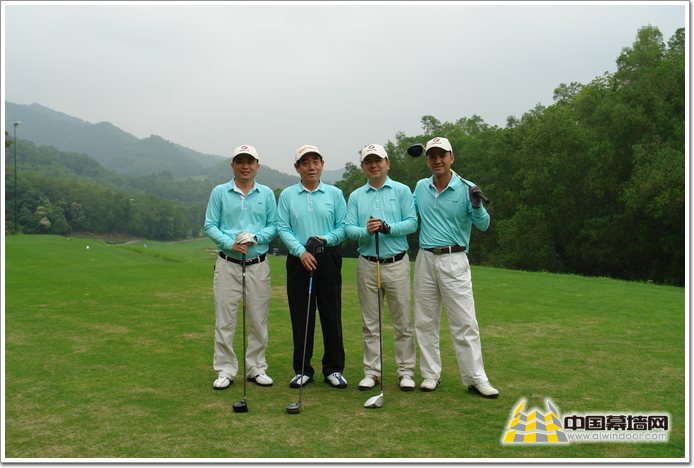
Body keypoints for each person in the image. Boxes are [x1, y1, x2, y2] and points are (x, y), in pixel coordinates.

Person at [412, 136, 499, 398]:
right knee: (425, 321)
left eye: (442, 155)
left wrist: (477, 205)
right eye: (432, 156)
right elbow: (410, 216)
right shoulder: (420, 187)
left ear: (452, 158)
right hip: (425, 258)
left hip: (455, 257)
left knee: (464, 322)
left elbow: (483, 224)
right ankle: (430, 374)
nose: (437, 160)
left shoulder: (467, 188)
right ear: (427, 160)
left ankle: (476, 378)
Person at [345, 144, 418, 392]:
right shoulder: (356, 196)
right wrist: (366, 231)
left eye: (378, 160)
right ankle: (372, 372)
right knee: (370, 323)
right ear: (363, 167)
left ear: (387, 163)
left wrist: (389, 228)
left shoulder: (402, 190)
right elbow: (349, 229)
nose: (374, 165)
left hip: (396, 263)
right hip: (367, 263)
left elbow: (412, 222)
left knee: (402, 322)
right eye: (369, 161)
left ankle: (406, 371)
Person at [203, 144, 277, 390]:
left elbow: (273, 225)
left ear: (257, 165)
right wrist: (230, 243)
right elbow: (210, 225)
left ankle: (256, 368)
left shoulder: (266, 193)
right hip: (228, 264)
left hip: (258, 264)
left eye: (250, 161)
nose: (245, 166)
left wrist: (255, 237)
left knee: (258, 320)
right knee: (225, 320)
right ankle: (225, 369)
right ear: (233, 165)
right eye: (240, 161)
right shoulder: (219, 192)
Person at [278, 144, 348, 389]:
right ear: (297, 168)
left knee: (331, 314)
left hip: (328, 257)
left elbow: (343, 227)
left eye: (315, 162)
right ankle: (302, 369)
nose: (311, 167)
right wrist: (300, 252)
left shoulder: (334, 194)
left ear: (322, 165)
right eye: (305, 163)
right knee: (301, 316)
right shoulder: (287, 195)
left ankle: (334, 368)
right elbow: (283, 227)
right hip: (299, 260)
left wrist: (324, 239)